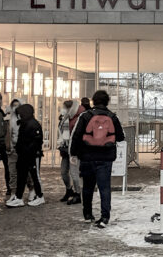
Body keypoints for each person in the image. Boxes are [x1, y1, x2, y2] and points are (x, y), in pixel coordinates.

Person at [71, 90, 125, 228]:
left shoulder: (85, 116)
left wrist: (73, 154)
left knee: (88, 187)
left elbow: (76, 136)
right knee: (104, 188)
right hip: (105, 158)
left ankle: (88, 214)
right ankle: (104, 217)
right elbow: (120, 136)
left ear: (93, 101)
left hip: (87, 157)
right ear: (107, 101)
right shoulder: (112, 117)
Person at [6, 104, 45, 207]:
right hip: (24, 154)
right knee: (22, 176)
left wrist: (26, 151)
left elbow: (35, 142)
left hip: (30, 155)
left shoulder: (32, 124)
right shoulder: (26, 123)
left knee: (33, 175)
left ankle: (39, 196)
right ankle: (19, 197)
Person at [58, 100, 82, 204]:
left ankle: (78, 194)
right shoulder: (64, 118)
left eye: (64, 107)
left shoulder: (76, 119)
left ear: (69, 109)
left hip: (73, 151)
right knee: (63, 173)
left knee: (74, 173)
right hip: (64, 149)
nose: (62, 109)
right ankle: (69, 189)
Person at [2, 99, 21, 197]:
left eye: (17, 105)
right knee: (10, 171)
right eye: (14, 105)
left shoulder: (22, 118)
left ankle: (21, 190)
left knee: (21, 171)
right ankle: (11, 189)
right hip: (11, 149)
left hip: (21, 149)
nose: (15, 107)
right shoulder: (8, 119)